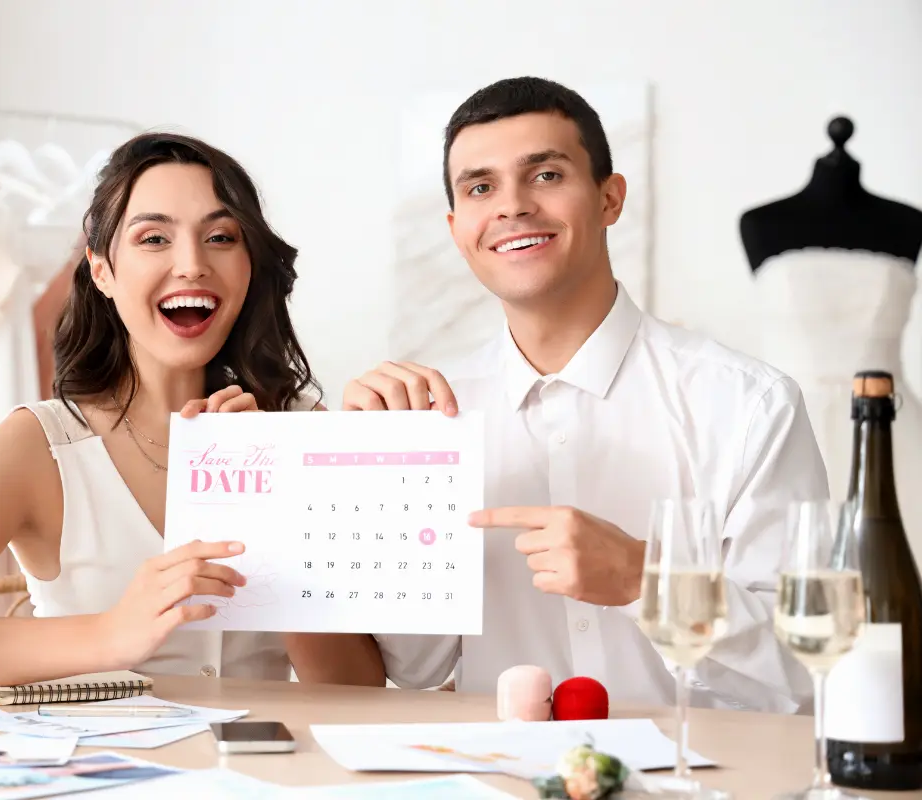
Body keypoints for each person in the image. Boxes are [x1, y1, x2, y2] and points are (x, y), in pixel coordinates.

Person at [292, 77, 824, 714]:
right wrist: (379, 494)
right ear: (458, 227)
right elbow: (418, 664)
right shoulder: (431, 417)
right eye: (480, 187)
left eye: (544, 175)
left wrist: (644, 580)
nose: (512, 207)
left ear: (609, 198)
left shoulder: (749, 406)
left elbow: (802, 676)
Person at [0, 132, 323, 698]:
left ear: (249, 266)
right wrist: (111, 633)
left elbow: (356, 685)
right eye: (154, 238)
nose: (192, 264)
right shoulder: (40, 447)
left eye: (221, 237)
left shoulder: (304, 431)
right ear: (102, 268)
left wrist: (279, 514)